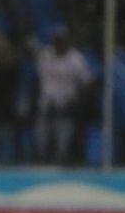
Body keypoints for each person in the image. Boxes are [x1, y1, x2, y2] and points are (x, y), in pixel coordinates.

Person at [34, 27, 93, 165]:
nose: (58, 44)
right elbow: (38, 79)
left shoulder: (76, 59)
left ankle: (61, 156)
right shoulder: (45, 55)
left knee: (64, 123)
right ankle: (41, 156)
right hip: (46, 101)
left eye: (62, 41)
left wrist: (77, 100)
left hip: (67, 103)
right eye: (56, 41)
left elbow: (87, 82)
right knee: (42, 124)